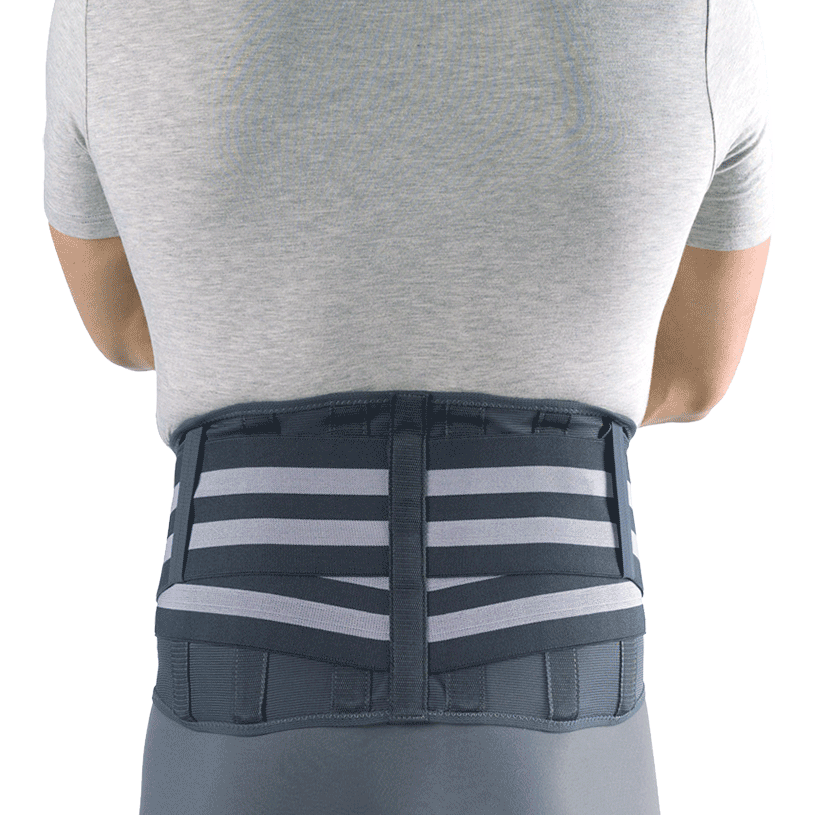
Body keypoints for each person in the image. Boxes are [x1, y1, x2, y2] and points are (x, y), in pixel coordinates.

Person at [43, 1, 773, 813]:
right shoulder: (702, 14)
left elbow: (128, 322)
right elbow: (694, 368)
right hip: (562, 692)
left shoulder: (108, 14)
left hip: (239, 676)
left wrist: (268, 325)